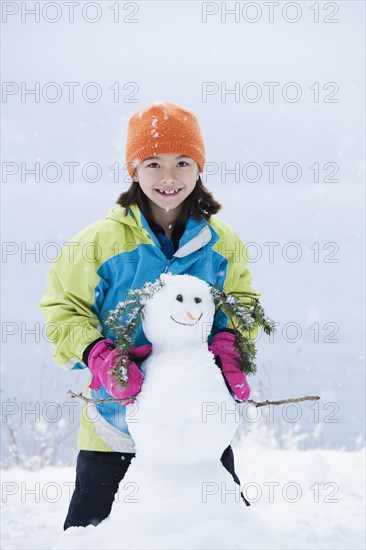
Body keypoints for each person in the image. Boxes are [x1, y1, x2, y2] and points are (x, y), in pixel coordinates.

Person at [40, 101, 261, 529]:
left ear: (199, 168)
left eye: (182, 162)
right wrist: (98, 354)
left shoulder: (221, 242)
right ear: (134, 170)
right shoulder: (100, 241)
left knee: (220, 532)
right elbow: (62, 309)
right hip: (114, 425)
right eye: (153, 163)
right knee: (93, 535)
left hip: (193, 422)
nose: (168, 177)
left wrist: (230, 344)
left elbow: (243, 304)